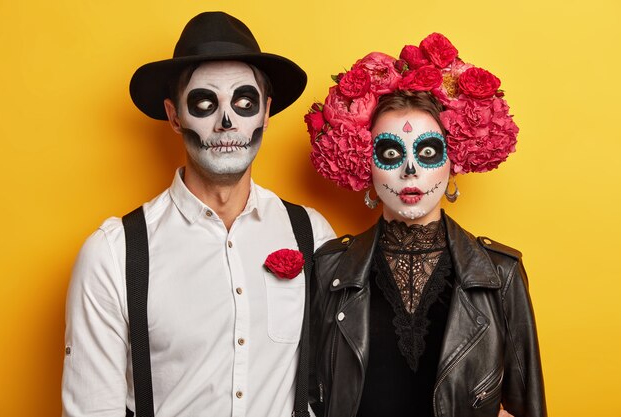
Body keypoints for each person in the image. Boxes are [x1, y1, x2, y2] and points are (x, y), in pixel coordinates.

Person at [62, 11, 335, 417]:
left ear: (265, 112)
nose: (227, 122)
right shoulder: (113, 255)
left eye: (244, 102)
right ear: (175, 116)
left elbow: (330, 387)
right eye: (204, 103)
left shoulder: (311, 234)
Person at [305, 34, 546, 417]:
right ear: (364, 162)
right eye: (389, 152)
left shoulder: (501, 273)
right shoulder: (329, 269)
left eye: (429, 151)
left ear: (455, 160)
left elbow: (526, 407)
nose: (410, 170)